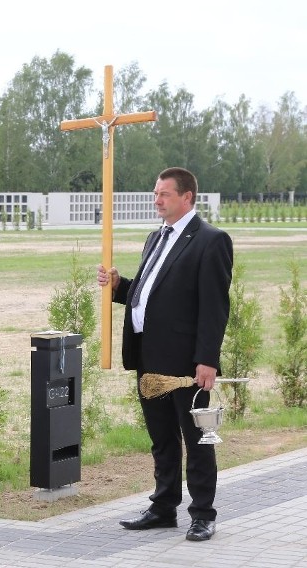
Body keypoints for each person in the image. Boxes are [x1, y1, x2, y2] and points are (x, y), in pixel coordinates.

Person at [98, 167, 233, 542]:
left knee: (197, 440)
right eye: (155, 193)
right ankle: (163, 507)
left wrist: (207, 360)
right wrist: (118, 286)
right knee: (162, 438)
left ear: (187, 196)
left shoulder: (210, 240)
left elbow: (214, 307)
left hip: (187, 364)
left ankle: (203, 514)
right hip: (149, 358)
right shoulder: (156, 237)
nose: (157, 200)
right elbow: (147, 294)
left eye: (164, 194)